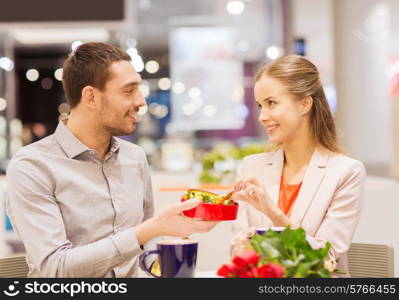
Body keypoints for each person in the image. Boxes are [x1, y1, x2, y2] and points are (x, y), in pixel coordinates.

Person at [6, 42, 217, 278]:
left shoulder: (135, 157)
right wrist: (149, 229)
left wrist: (169, 262)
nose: (141, 102)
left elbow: (147, 250)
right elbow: (57, 269)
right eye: (129, 91)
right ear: (91, 97)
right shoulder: (32, 166)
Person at [231, 55, 366, 275]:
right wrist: (242, 245)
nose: (262, 116)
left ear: (305, 103)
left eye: (271, 103)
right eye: (259, 105)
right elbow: (238, 251)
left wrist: (274, 214)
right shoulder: (251, 167)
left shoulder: (346, 172)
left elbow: (326, 259)